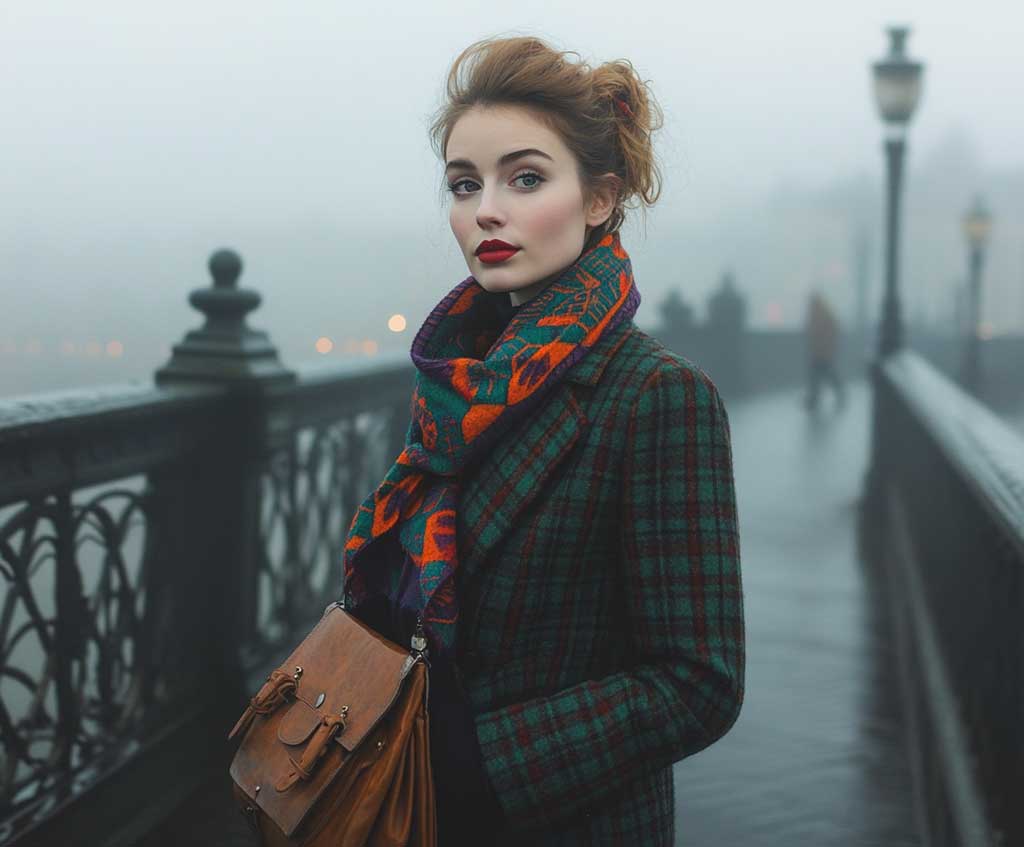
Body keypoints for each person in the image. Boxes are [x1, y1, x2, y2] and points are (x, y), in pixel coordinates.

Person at [342, 34, 744, 846]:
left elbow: (699, 681)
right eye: (465, 183)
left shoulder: (656, 397)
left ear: (599, 199)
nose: (486, 208)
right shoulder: (456, 383)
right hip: (407, 806)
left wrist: (482, 765)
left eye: (525, 178)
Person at [804, 290, 845, 412]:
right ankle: (817, 398)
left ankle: (814, 399)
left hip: (821, 351)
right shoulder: (823, 313)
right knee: (824, 374)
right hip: (822, 351)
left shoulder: (820, 314)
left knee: (821, 375)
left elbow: (817, 333)